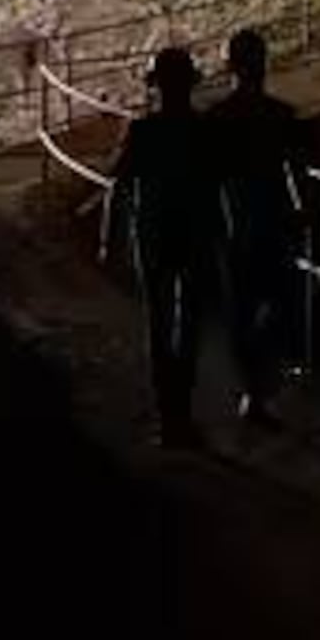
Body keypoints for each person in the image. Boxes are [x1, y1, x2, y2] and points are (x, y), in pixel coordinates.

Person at [104, 46, 217, 447]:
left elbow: (119, 187)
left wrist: (109, 239)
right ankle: (181, 412)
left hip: (153, 235)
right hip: (194, 234)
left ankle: (168, 416)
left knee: (159, 322)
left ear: (156, 86)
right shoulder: (204, 130)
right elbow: (216, 187)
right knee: (188, 326)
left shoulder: (143, 131)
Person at [207, 27, 307, 426]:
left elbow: (209, 177)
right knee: (277, 305)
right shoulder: (280, 116)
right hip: (273, 221)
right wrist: (302, 209)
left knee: (242, 310)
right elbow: (295, 171)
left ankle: (255, 389)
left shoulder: (218, 119)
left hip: (236, 221)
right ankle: (260, 386)